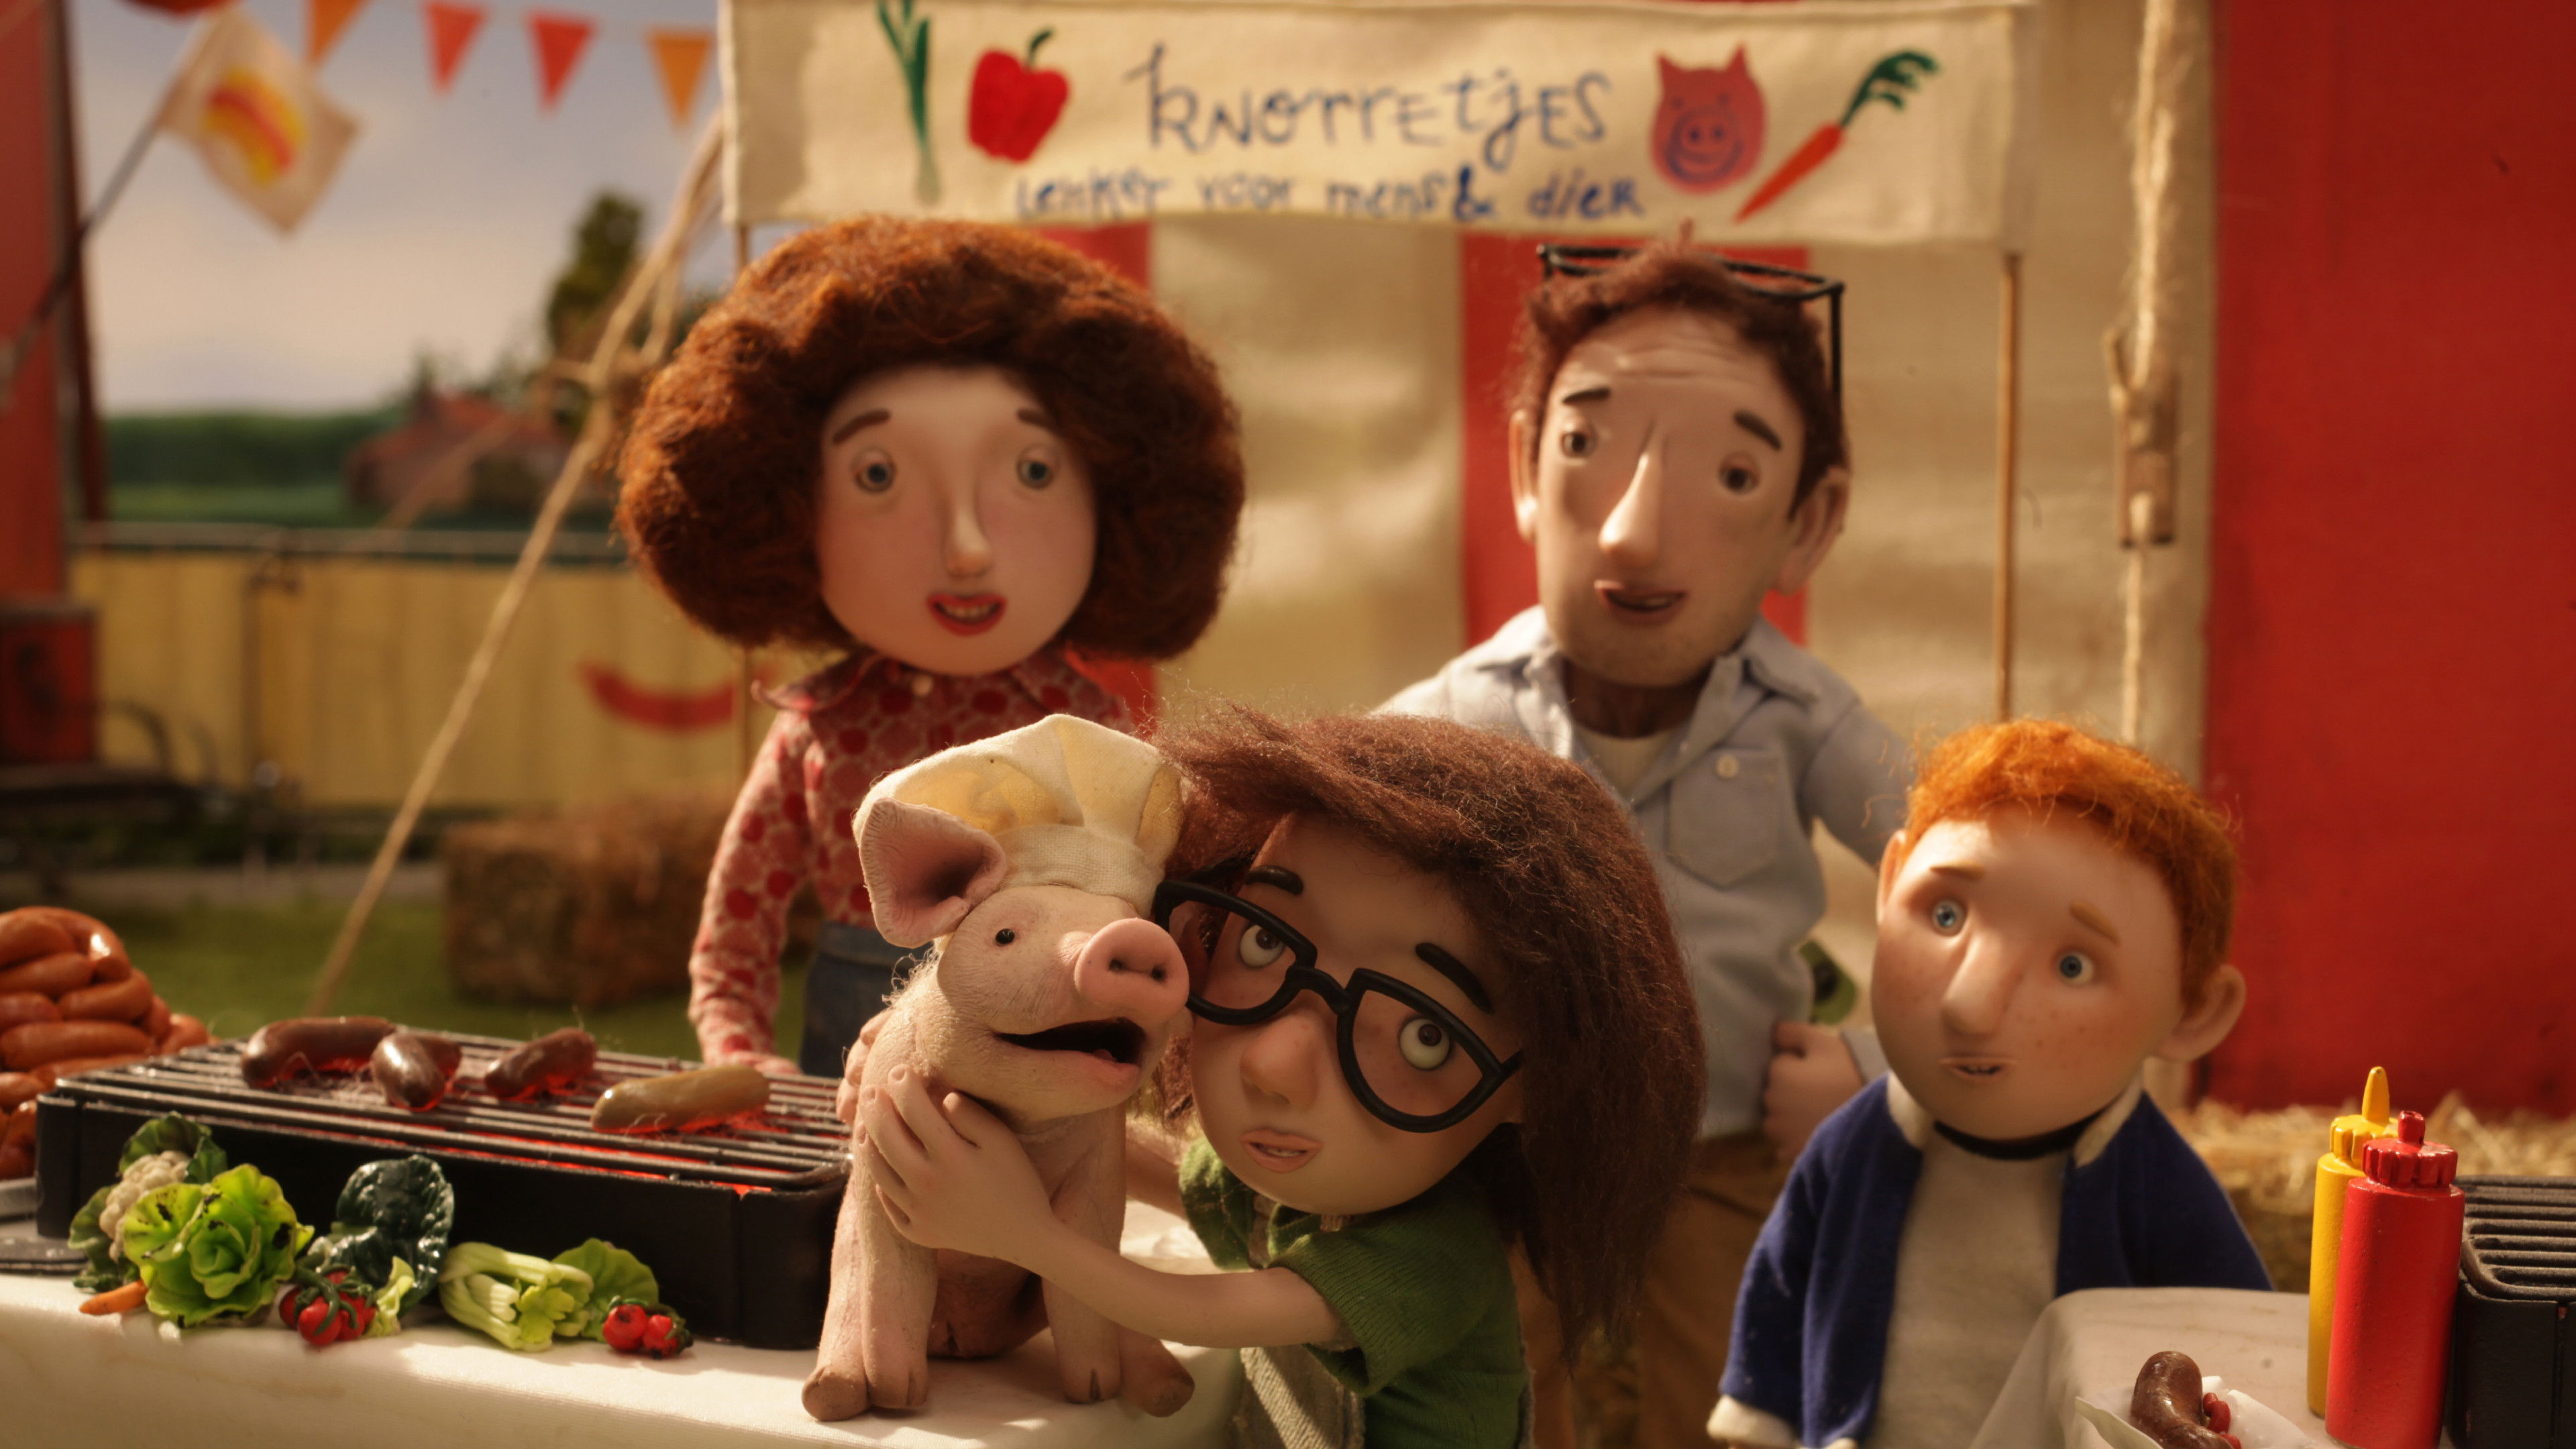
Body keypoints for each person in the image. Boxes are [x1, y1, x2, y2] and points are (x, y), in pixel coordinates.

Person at [1383, 239, 1907, 1448]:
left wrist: (1877, 1066)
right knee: (1500, 1388)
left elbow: (1973, 882)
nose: (1630, 534)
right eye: (1585, 445)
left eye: (1733, 473)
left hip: (1721, 1155)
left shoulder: (1805, 722)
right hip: (1508, 1150)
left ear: (1808, 522)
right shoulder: (1459, 719)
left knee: (1729, 1395)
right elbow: (1311, 840)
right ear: (1524, 466)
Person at [856, 710, 1705, 1448]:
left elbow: (1202, 1311)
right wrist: (988, 1086)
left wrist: (1022, 1232)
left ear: (1536, 1089)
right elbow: (1166, 1173)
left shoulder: (1429, 1255)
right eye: (1263, 943)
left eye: (1422, 1037)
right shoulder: (1282, 1190)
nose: (1274, 1065)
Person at [616, 216, 1243, 1077]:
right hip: (844, 1070)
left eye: (1032, 471)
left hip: (1040, 1060)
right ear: (790, 509)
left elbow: (1165, 910)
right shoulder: (818, 729)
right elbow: (736, 929)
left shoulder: (1092, 734)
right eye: (877, 475)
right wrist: (740, 1054)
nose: (967, 549)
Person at [1709, 720, 2271, 1449]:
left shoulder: (2158, 1190)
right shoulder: (1850, 1150)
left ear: (2193, 1014)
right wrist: (1756, 1428)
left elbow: (2249, 1355)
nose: (1969, 1007)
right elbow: (1777, 1306)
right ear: (1890, 884)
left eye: (2072, 966)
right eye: (1945, 915)